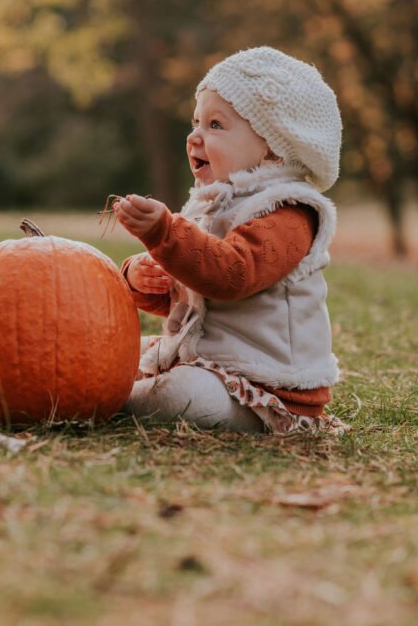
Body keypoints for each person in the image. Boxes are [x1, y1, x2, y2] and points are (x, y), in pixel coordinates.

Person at [113, 46, 348, 435]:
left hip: (265, 385)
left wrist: (164, 233)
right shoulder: (213, 203)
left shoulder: (288, 212)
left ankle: (111, 397)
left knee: (181, 393)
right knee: (122, 347)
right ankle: (114, 381)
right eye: (196, 122)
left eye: (215, 125)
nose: (194, 137)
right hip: (211, 362)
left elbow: (230, 275)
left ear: (273, 146)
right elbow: (191, 293)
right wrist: (142, 278)